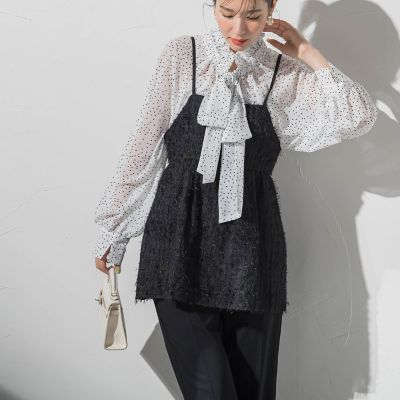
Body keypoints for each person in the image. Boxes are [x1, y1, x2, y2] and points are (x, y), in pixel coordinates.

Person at [93, 0, 378, 398]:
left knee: (254, 393)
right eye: (227, 13)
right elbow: (144, 147)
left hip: (251, 253)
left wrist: (308, 53)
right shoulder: (184, 56)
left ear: (272, 8)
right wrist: (115, 231)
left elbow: (358, 115)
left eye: (253, 16)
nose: (239, 28)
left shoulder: (280, 73)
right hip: (177, 244)